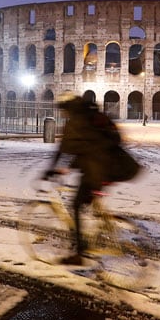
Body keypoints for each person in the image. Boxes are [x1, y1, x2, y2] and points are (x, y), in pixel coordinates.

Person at [45, 95, 120, 265]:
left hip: (97, 170)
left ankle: (79, 253)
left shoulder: (75, 123)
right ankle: (103, 224)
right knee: (91, 200)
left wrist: (50, 170)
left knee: (76, 205)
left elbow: (62, 150)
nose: (63, 114)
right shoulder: (90, 117)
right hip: (112, 166)